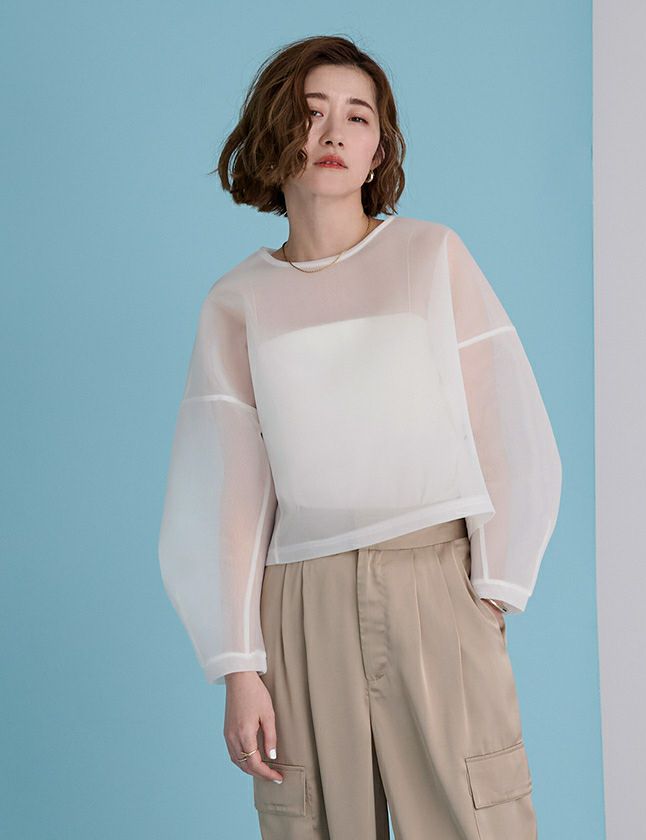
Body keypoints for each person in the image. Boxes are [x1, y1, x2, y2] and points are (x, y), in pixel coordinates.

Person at [158, 34, 562, 840]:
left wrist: (492, 590)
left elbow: (507, 422)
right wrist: (239, 666)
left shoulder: (430, 255)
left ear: (380, 147)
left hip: (436, 580)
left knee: (476, 819)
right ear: (275, 132)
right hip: (301, 602)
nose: (333, 133)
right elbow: (227, 493)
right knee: (314, 823)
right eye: (310, 113)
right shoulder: (238, 301)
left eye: (357, 115)